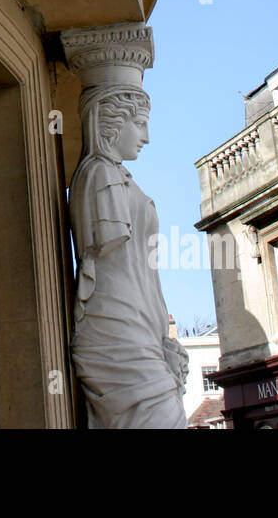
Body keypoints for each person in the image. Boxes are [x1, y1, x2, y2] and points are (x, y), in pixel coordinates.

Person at [70, 83, 188, 428]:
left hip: (140, 323)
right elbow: (107, 255)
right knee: (161, 417)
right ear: (110, 124)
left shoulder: (119, 176)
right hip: (116, 323)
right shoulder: (99, 173)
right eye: (139, 124)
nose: (147, 137)